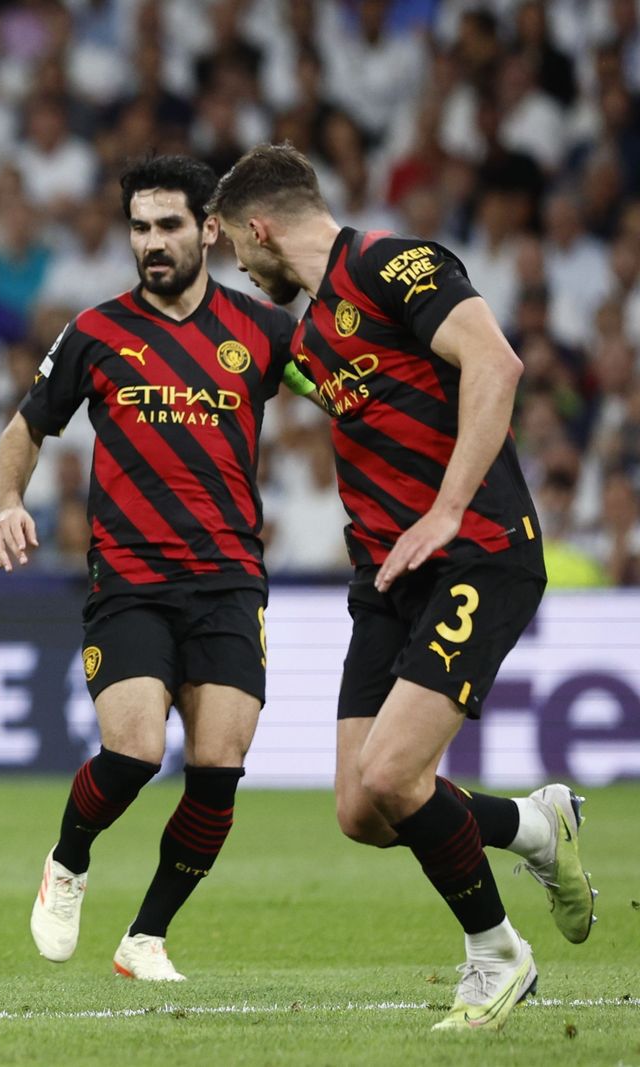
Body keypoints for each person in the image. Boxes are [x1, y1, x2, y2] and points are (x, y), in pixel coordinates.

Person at [208, 142, 595, 1032]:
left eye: (234, 242)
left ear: (260, 227)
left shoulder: (393, 262)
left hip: (475, 550)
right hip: (387, 578)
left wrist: (449, 509)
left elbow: (497, 364)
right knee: (362, 807)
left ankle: (497, 954)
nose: (238, 258)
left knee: (393, 772)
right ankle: (536, 828)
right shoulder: (310, 330)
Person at [0, 156, 309, 981]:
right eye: (139, 227)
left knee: (218, 772)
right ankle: (67, 861)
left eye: (169, 226)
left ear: (210, 228)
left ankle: (146, 937)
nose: (152, 242)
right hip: (130, 578)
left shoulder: (266, 332)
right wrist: (6, 502)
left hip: (231, 579)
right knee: (132, 752)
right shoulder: (97, 332)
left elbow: (351, 395)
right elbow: (26, 426)